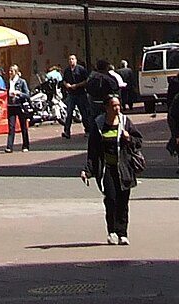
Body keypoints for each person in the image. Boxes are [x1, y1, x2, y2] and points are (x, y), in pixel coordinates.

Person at [85, 93, 144, 245]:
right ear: (106, 108)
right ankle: (111, 231)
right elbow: (92, 150)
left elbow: (139, 141)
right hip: (107, 169)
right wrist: (88, 170)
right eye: (113, 106)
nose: (117, 108)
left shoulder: (125, 122)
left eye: (118, 105)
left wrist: (129, 138)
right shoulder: (99, 124)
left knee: (123, 201)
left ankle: (122, 233)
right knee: (111, 199)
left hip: (124, 167)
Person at [6, 64, 33, 151]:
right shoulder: (8, 82)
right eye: (9, 70)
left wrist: (18, 93)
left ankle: (25, 145)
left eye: (12, 71)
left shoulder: (22, 82)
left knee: (23, 126)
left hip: (20, 106)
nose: (10, 72)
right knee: (11, 127)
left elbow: (27, 94)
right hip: (11, 106)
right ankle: (9, 147)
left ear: (16, 72)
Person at [62, 54, 90, 138]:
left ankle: (87, 130)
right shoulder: (67, 70)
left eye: (72, 59)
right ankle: (67, 131)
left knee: (83, 113)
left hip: (80, 94)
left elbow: (86, 80)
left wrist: (77, 85)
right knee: (69, 113)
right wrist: (66, 84)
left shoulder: (81, 69)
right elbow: (64, 80)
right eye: (70, 59)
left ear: (76, 60)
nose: (71, 61)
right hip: (71, 94)